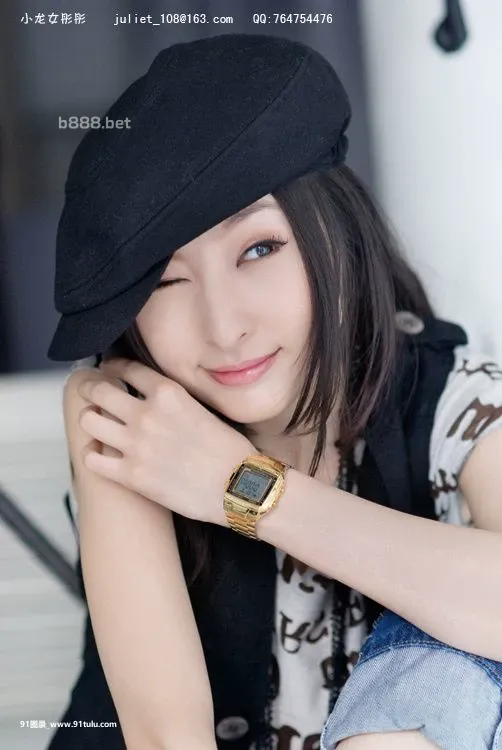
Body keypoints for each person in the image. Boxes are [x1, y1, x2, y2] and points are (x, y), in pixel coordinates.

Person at [45, 34, 502, 750]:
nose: (224, 327)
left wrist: (238, 486)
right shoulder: (125, 417)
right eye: (164, 281)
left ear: (336, 234)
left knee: (437, 669)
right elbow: (165, 736)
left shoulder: (455, 401)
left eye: (259, 249)